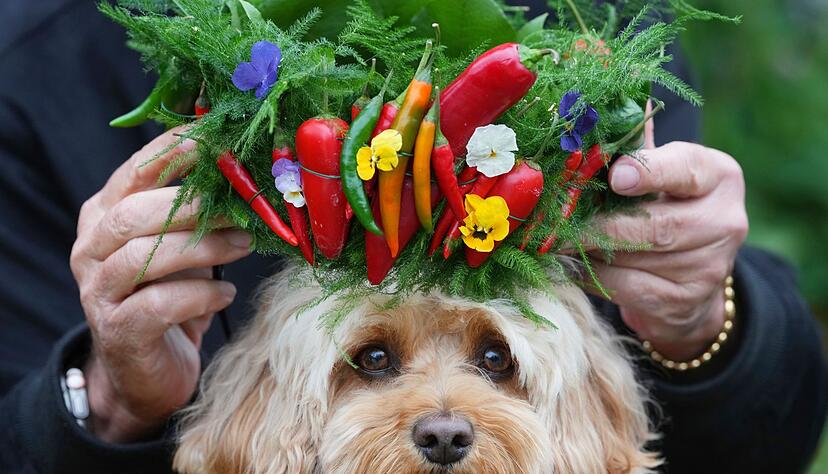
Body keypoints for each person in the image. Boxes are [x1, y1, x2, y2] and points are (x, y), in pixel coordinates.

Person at [0, 0, 825, 472]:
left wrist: (697, 320)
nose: (444, 420)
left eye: (494, 361)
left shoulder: (595, 29)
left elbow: (773, 437)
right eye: (375, 359)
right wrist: (109, 401)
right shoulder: (41, 70)